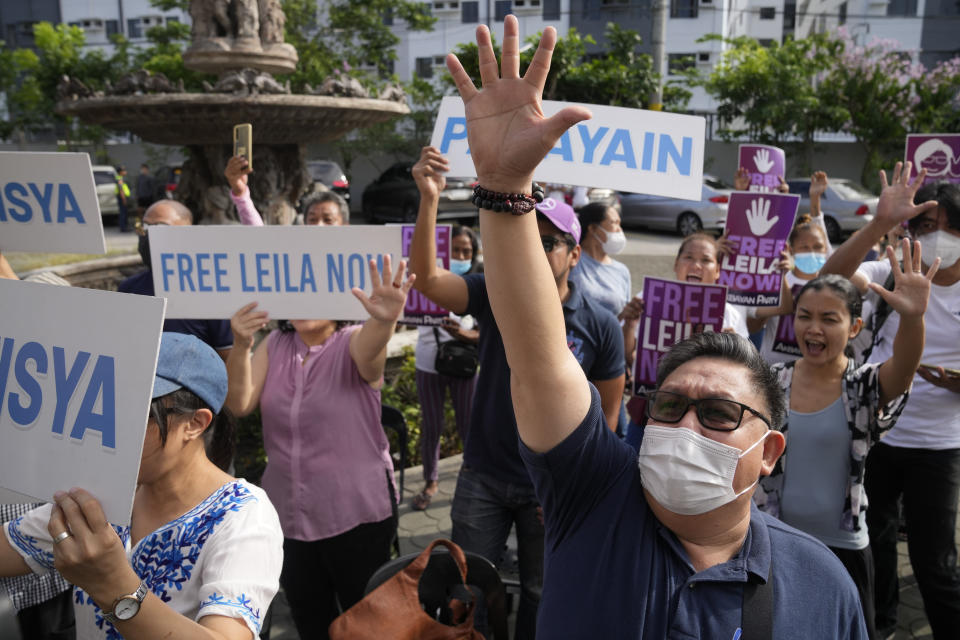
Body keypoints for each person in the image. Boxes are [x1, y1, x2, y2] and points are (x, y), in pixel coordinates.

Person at [443, 16, 868, 637]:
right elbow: (539, 358)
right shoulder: (591, 496)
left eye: (719, 414)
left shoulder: (823, 587)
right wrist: (506, 191)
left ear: (770, 451)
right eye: (668, 407)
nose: (683, 426)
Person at [409, 144, 625, 639]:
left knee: (543, 594)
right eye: (532, 238)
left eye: (551, 243)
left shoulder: (600, 324)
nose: (538, 249)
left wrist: (579, 481)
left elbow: (609, 411)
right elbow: (428, 280)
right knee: (471, 589)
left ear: (575, 254)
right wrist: (429, 198)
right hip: (483, 473)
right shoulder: (492, 292)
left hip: (550, 488)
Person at [0, 332, 284, 640]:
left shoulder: (243, 516)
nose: (113, 427)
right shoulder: (103, 494)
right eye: (109, 407)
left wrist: (114, 586)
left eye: (138, 413)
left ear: (195, 424)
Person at [224, 255, 414, 640]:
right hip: (288, 517)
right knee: (310, 618)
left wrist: (384, 319)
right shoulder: (275, 343)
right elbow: (240, 403)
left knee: (366, 622)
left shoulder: (351, 341)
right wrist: (241, 344)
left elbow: (372, 352)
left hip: (355, 515)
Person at [756, 258, 937, 640]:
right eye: (804, 316)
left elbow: (903, 369)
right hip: (774, 542)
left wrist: (913, 317)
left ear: (854, 327)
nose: (814, 328)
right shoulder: (771, 382)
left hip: (844, 548)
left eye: (829, 318)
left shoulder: (863, 387)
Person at [822, 168, 960, 640]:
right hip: (875, 434)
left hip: (939, 445)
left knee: (935, 559)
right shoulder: (891, 273)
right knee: (871, 544)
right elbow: (828, 279)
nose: (934, 237)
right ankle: (878, 628)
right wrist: (878, 224)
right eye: (922, 226)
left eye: (944, 226)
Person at [411, 223, 481, 511]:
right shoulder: (428, 281)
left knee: (469, 426)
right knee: (432, 426)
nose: (461, 256)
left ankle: (471, 479)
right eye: (455, 250)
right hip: (428, 363)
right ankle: (431, 480)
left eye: (466, 251)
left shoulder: (478, 285)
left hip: (464, 365)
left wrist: (467, 335)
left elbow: (490, 329)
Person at [120, 200, 234, 357]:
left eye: (160, 228)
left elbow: (229, 357)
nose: (148, 235)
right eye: (144, 227)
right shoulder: (129, 289)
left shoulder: (211, 293)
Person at [224, 155, 349, 226]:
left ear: (345, 225)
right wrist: (241, 195)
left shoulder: (359, 260)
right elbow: (259, 239)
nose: (319, 226)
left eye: (328, 220)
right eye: (312, 220)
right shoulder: (293, 255)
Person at [569, 202, 631, 317]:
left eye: (619, 224)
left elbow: (621, 318)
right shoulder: (571, 261)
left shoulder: (622, 271)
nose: (619, 230)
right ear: (592, 228)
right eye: (614, 223)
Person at [115, 165, 131, 233]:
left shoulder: (119, 178)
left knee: (123, 212)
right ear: (120, 172)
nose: (125, 172)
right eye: (124, 170)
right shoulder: (119, 179)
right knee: (123, 213)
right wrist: (124, 199)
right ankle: (123, 228)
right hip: (122, 197)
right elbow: (121, 190)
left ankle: (124, 227)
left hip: (122, 197)